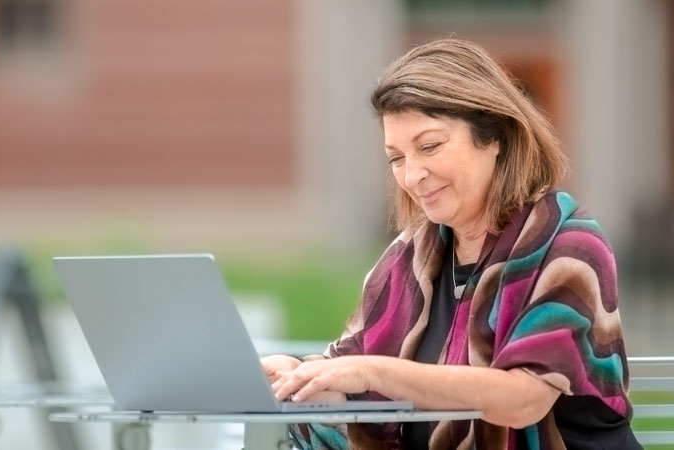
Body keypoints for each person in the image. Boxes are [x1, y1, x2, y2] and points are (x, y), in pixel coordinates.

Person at [261, 38, 642, 450]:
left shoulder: (570, 245)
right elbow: (351, 381)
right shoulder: (411, 256)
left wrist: (373, 372)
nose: (412, 176)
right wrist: (298, 378)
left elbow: (523, 399)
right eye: (396, 158)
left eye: (429, 146)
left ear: (494, 136)